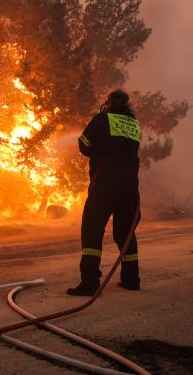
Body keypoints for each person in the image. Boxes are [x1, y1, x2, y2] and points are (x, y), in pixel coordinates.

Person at [68, 89, 142, 296]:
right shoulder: (134, 124)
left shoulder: (103, 119)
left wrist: (99, 149)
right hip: (129, 187)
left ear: (109, 103)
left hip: (106, 185)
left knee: (92, 230)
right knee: (125, 233)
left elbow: (84, 145)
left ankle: (89, 282)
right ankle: (131, 279)